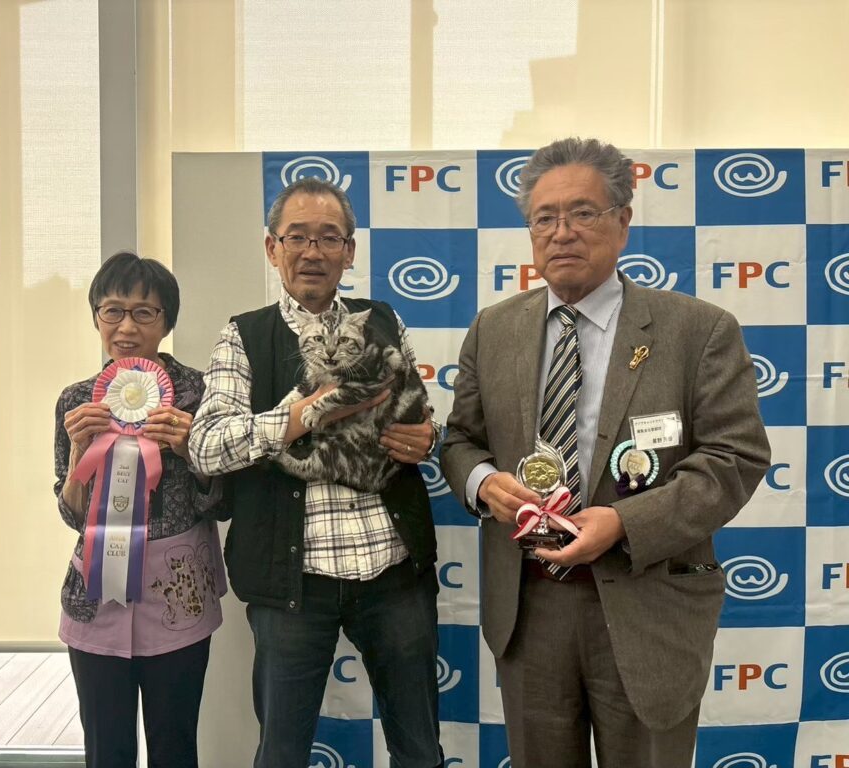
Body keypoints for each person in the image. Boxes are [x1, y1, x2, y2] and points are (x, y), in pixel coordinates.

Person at [440, 138, 770, 768]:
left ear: (623, 221)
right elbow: (460, 441)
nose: (561, 232)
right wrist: (483, 482)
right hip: (530, 607)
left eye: (583, 213)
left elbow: (736, 458)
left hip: (649, 602)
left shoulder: (698, 330)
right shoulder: (492, 329)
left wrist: (623, 522)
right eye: (544, 217)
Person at [188, 177, 444, 768]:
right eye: (296, 237)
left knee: (420, 749)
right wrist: (304, 414)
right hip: (292, 583)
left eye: (329, 238)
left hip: (393, 571)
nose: (312, 251)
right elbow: (205, 447)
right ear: (271, 247)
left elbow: (420, 414)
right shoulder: (245, 335)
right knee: (281, 753)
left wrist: (426, 437)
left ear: (349, 251)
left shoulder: (382, 320)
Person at [54, 251, 225, 768]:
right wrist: (79, 453)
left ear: (167, 322)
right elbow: (71, 514)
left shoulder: (201, 394)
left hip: (178, 596)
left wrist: (191, 450)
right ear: (96, 317)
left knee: (175, 746)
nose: (126, 327)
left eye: (144, 313)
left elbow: (223, 501)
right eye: (113, 311)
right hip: (95, 599)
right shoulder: (76, 401)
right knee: (106, 750)